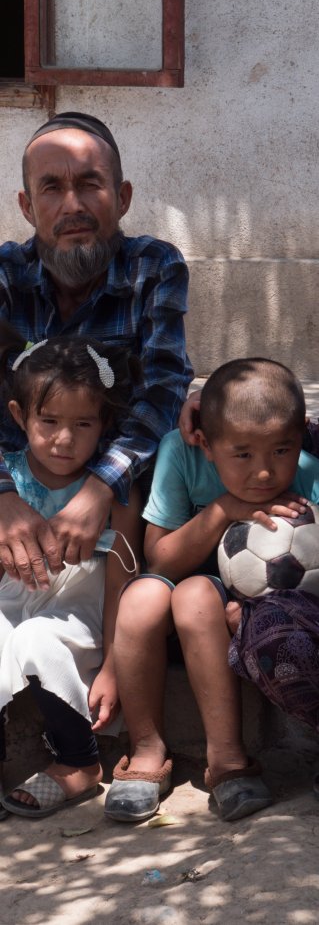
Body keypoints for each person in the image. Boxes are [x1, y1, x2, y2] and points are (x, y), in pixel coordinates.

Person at [0, 109, 193, 738]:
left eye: (91, 184)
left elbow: (162, 393)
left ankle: (110, 691)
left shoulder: (153, 268)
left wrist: (98, 488)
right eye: (53, 188)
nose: (73, 203)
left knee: (151, 480)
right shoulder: (3, 276)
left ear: (122, 196)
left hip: (115, 506)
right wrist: (4, 494)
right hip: (19, 488)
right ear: (28, 206)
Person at [104, 357, 319, 823]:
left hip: (247, 616)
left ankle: (227, 762)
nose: (264, 472)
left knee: (198, 595)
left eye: (280, 451)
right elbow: (158, 558)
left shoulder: (307, 472)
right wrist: (222, 510)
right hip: (179, 601)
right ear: (205, 442)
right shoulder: (179, 454)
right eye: (242, 455)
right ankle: (145, 751)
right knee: (147, 596)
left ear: (300, 435)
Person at [0, 325, 140, 819]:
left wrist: (114, 665)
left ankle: (79, 762)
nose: (64, 439)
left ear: (104, 424)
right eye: (49, 420)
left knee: (37, 640)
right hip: (10, 598)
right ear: (19, 416)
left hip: (75, 613)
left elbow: (124, 579)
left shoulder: (115, 493)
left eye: (83, 424)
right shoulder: (7, 481)